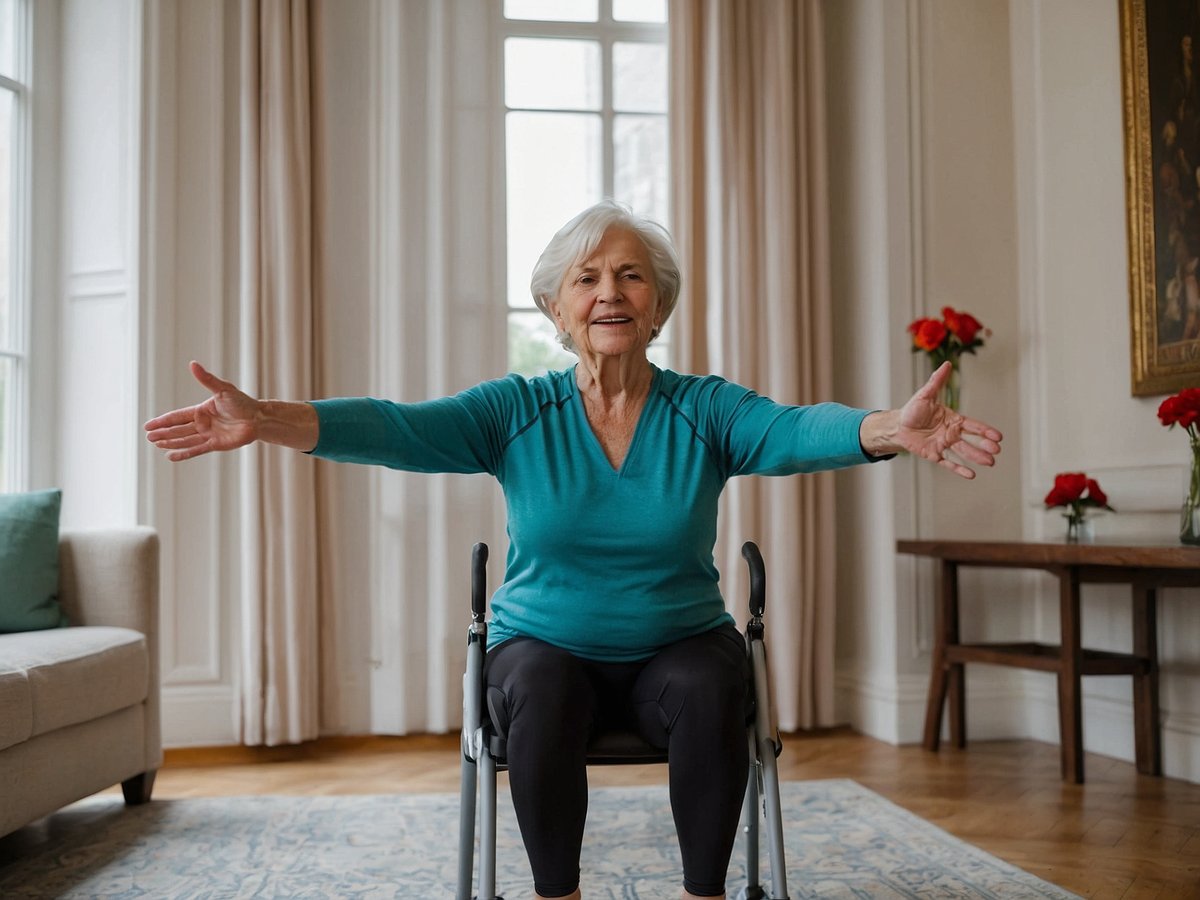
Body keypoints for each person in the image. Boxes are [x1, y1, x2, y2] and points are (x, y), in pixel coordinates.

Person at [145, 200, 1003, 900]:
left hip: (678, 648)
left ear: (658, 305)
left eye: (631, 275)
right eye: (586, 278)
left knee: (713, 682)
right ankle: (558, 896)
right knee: (542, 685)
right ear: (556, 309)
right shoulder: (516, 411)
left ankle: (704, 895)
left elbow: (792, 429)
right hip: (543, 648)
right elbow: (397, 426)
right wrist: (266, 419)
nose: (609, 293)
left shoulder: (704, 410)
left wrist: (888, 428)